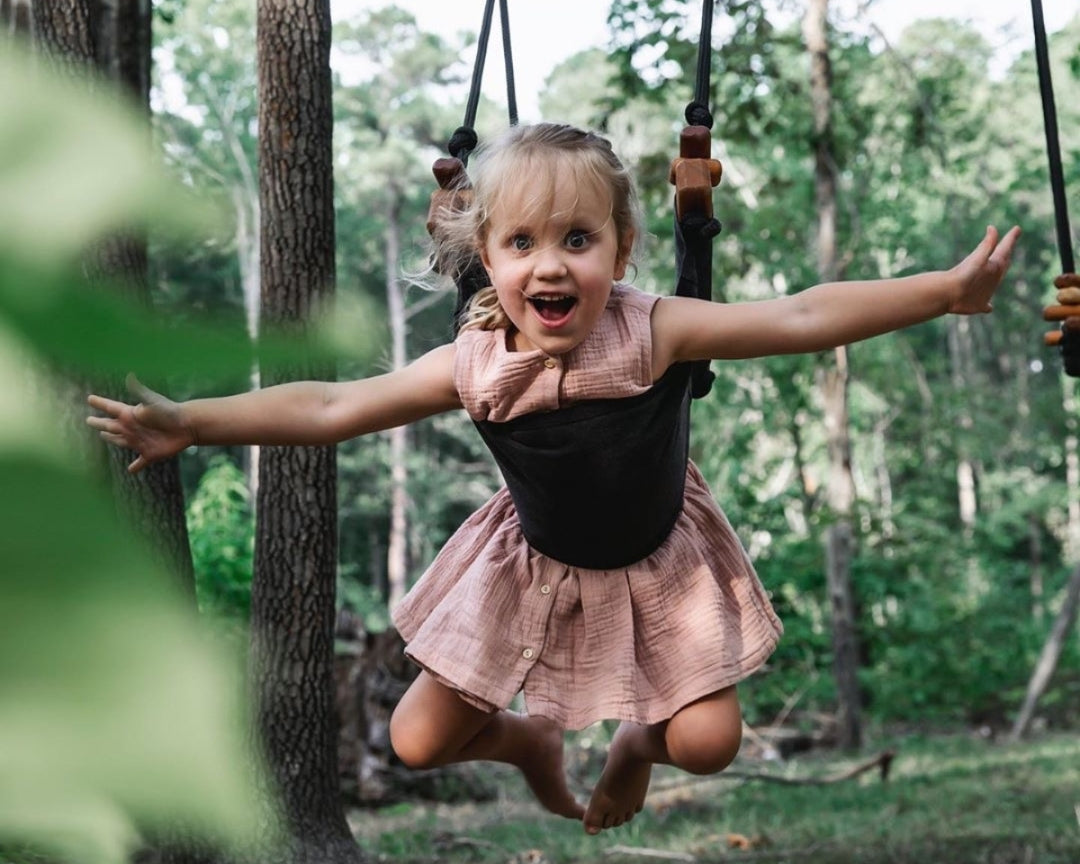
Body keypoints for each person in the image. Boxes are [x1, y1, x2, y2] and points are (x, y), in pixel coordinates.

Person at [87, 123, 1020, 835]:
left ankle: (634, 740)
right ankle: (530, 738)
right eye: (523, 242)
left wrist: (942, 291)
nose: (551, 263)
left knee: (706, 743)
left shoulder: (658, 331)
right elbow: (333, 407)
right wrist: (193, 422)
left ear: (621, 249)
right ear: (486, 260)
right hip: (531, 566)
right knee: (417, 742)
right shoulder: (476, 360)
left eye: (579, 239)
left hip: (659, 562)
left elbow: (803, 313)